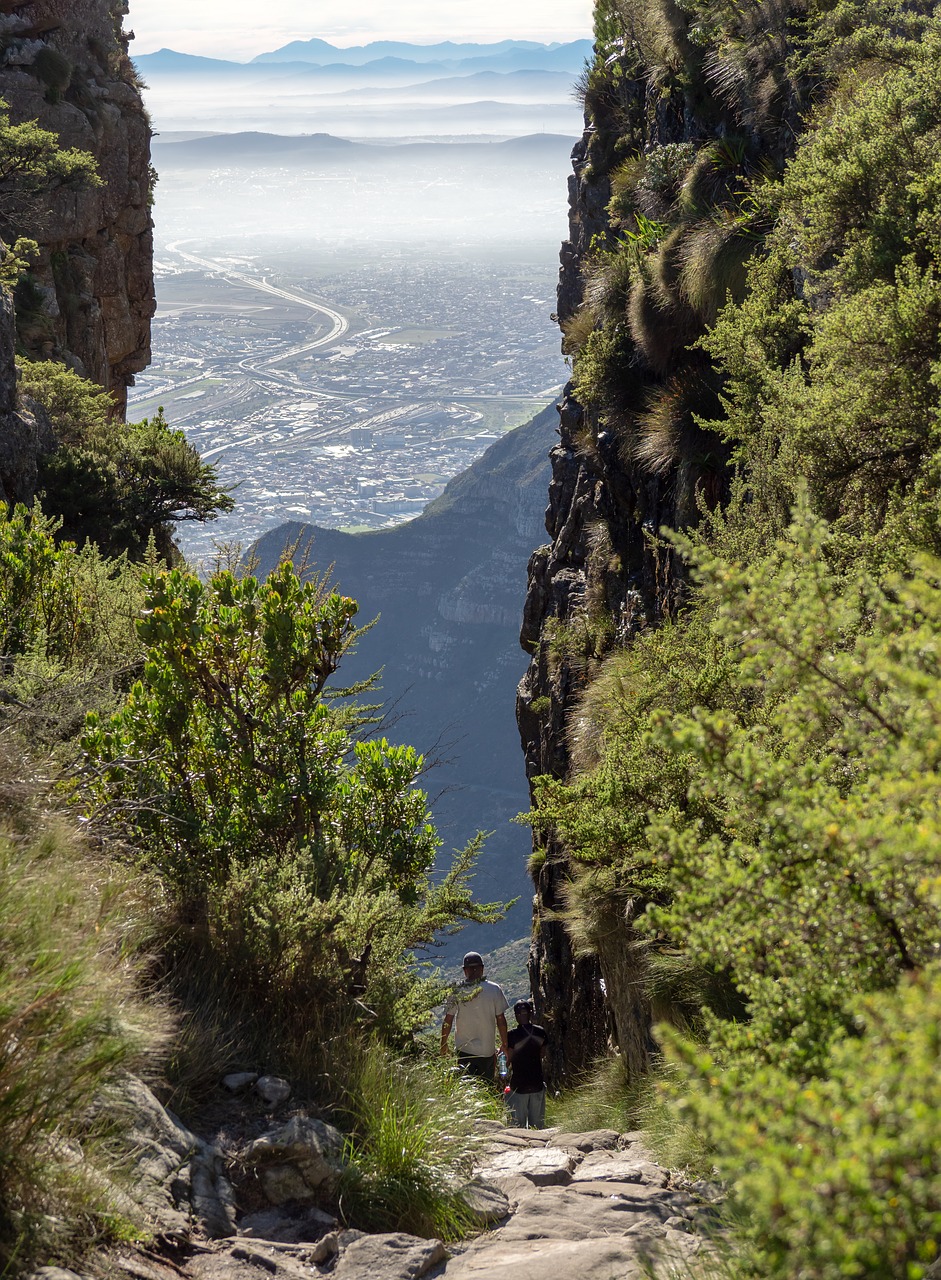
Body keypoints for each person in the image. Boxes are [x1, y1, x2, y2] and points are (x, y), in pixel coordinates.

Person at [440, 951, 509, 1084]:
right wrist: (504, 1044)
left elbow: (448, 1020)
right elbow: (501, 1020)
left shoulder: (456, 990)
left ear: (465, 970)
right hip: (486, 1050)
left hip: (464, 1050)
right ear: (482, 968)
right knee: (486, 1085)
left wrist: (443, 1044)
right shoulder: (494, 989)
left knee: (466, 1087)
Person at [505, 999, 548, 1128]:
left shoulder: (512, 1035)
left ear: (516, 1016)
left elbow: (508, 1059)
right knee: (537, 1127)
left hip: (518, 1086)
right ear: (531, 1013)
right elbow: (543, 1053)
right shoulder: (541, 1032)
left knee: (517, 1127)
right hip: (537, 1083)